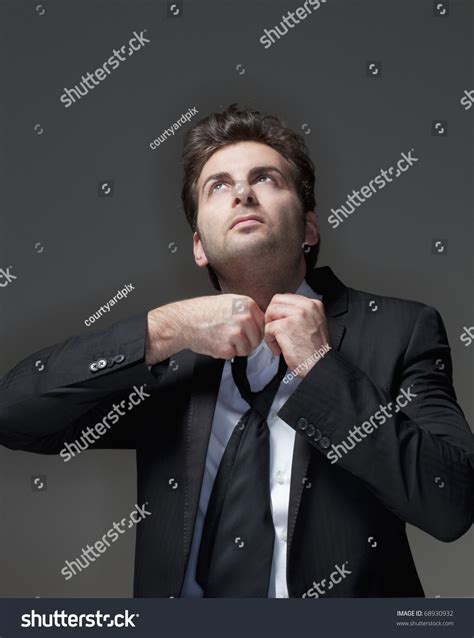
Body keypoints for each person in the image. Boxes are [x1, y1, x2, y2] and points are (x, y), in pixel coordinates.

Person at [0, 104, 473, 598]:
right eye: (218, 186)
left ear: (309, 229)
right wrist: (162, 329)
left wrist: (321, 368)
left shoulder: (400, 330)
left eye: (266, 179)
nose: (243, 193)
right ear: (199, 245)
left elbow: (452, 503)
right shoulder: (171, 359)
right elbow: (13, 414)